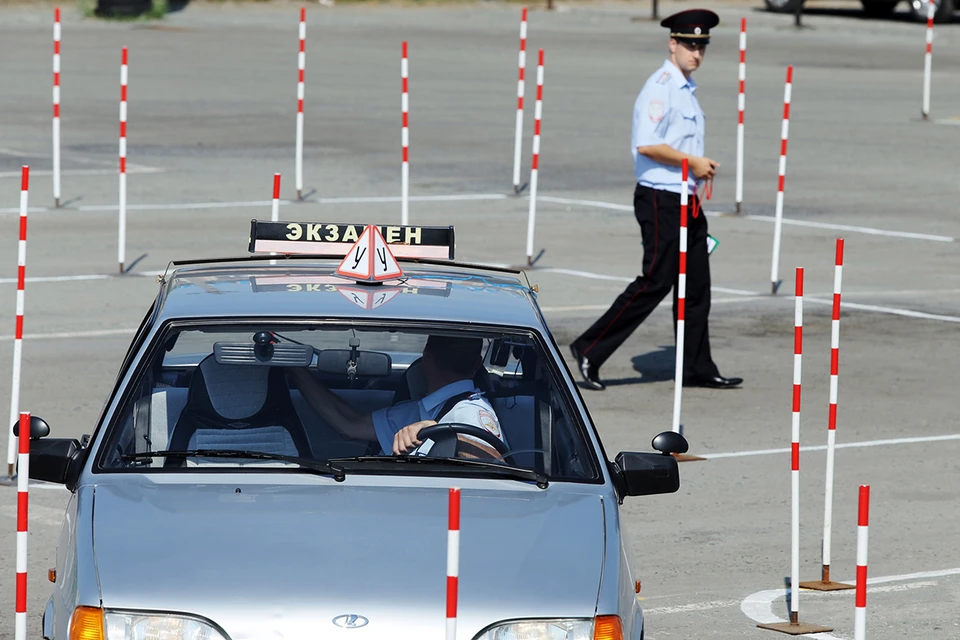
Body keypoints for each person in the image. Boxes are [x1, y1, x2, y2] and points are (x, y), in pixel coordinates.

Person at [569, 9, 743, 392]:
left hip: (687, 197)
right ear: (673, 44)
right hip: (660, 198)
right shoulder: (661, 86)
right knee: (656, 281)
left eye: (701, 46)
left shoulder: (685, 88)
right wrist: (692, 161)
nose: (695, 52)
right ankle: (589, 348)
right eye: (689, 45)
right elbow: (646, 145)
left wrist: (697, 167)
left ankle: (697, 365)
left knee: (696, 286)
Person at [287, 335, 506, 458]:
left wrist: (448, 435)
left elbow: (495, 466)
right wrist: (295, 368)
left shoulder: (472, 412)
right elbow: (349, 425)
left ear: (426, 357)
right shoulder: (417, 411)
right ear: (478, 364)